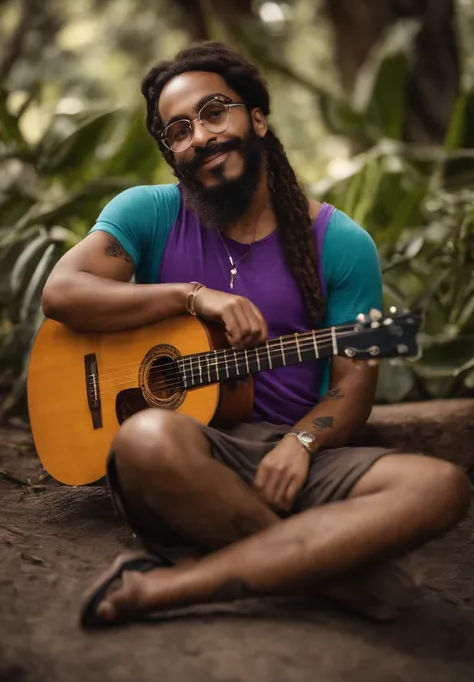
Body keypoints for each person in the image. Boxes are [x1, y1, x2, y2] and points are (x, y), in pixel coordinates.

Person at [41, 42, 470, 628]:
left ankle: (168, 587)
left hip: (293, 455)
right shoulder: (149, 212)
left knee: (438, 487)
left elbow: (351, 385)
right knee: (144, 439)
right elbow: (62, 292)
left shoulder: (340, 243)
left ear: (257, 118)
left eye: (215, 111)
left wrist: (301, 445)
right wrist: (191, 295)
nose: (200, 136)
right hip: (189, 452)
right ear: (173, 154)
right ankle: (330, 572)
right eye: (179, 130)